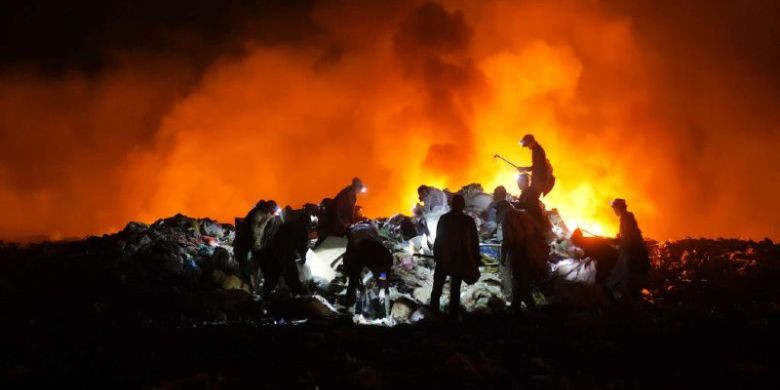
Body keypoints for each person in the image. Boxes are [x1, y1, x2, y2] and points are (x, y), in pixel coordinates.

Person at [430, 195, 481, 317]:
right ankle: (453, 313)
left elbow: (438, 239)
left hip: (444, 256)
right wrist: (475, 259)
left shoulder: (445, 219)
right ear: (463, 205)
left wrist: (436, 255)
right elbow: (474, 242)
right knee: (455, 287)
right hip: (459, 258)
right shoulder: (468, 221)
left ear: (452, 205)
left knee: (437, 285)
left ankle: (433, 311)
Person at [498, 203, 550, 310]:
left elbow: (508, 239)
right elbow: (540, 229)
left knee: (522, 284)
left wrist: (503, 256)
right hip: (532, 253)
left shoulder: (506, 215)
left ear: (501, 209)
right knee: (520, 281)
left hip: (519, 253)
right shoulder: (523, 213)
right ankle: (515, 308)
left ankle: (533, 312)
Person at [256, 214, 312, 298]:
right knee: (291, 277)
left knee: (272, 277)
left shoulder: (286, 225)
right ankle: (301, 297)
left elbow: (274, 237)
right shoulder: (302, 229)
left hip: (272, 253)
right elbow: (302, 247)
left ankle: (265, 296)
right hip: (285, 255)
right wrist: (303, 258)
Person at [607, 199, 650, 299]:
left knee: (625, 273)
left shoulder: (627, 218)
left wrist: (619, 241)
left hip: (630, 251)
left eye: (615, 208)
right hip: (629, 249)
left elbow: (629, 236)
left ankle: (627, 297)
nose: (614, 211)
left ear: (620, 208)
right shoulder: (626, 217)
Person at [234, 200, 277, 289]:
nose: (274, 211)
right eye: (273, 209)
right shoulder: (257, 213)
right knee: (244, 258)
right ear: (267, 207)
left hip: (256, 239)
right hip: (246, 238)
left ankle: (253, 279)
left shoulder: (268, 213)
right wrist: (257, 242)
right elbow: (254, 229)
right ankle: (245, 279)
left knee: (257, 259)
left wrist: (266, 235)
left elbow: (270, 223)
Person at [342, 234, 393, 308]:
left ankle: (383, 299)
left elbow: (383, 274)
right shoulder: (353, 258)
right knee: (353, 281)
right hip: (361, 255)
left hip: (375, 257)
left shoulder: (383, 259)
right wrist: (359, 286)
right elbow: (351, 273)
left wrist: (382, 289)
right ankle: (349, 304)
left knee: (381, 282)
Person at [316, 177, 365, 246]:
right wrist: (343, 223)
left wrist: (350, 222)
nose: (360, 191)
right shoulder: (347, 194)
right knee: (326, 241)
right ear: (356, 186)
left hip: (339, 223)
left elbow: (349, 211)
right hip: (334, 223)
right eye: (360, 188)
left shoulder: (351, 194)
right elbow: (338, 209)